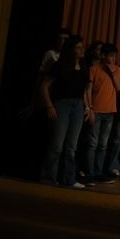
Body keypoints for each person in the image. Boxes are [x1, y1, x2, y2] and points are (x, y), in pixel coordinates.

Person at [40, 35, 90, 189]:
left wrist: (87, 107)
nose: (82, 50)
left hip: (78, 106)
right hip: (62, 105)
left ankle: (68, 179)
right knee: (57, 145)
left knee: (71, 146)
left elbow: (84, 91)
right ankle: (49, 178)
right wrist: (49, 106)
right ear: (71, 49)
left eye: (83, 47)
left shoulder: (83, 67)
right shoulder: (60, 65)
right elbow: (44, 86)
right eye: (78, 48)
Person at [84, 43, 120, 185]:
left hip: (110, 111)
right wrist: (90, 107)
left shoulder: (117, 70)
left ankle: (98, 172)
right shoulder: (94, 69)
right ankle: (89, 173)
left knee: (103, 144)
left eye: (114, 56)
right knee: (92, 143)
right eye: (110, 56)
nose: (113, 59)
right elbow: (88, 89)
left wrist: (112, 72)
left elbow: (118, 88)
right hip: (96, 110)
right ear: (103, 56)